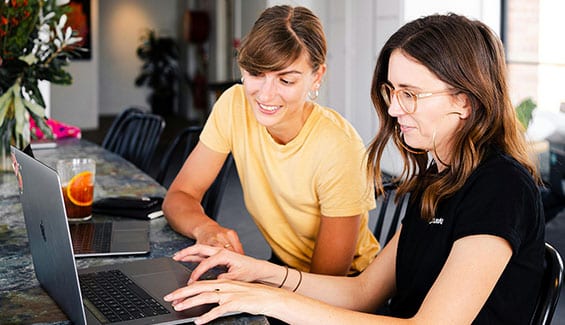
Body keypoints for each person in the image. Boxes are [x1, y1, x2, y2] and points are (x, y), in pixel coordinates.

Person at [163, 13, 546, 324]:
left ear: (464, 102)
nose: (394, 109)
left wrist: (270, 300)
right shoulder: (439, 177)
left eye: (410, 95)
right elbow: (363, 292)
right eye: (391, 92)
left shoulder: (501, 186)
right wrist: (261, 274)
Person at [162, 5, 379, 276]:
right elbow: (179, 196)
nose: (265, 95)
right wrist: (206, 228)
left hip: (344, 289)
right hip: (283, 266)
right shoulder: (234, 104)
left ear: (317, 77)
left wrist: (257, 276)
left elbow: (327, 282)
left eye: (285, 80)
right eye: (256, 74)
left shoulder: (339, 147)